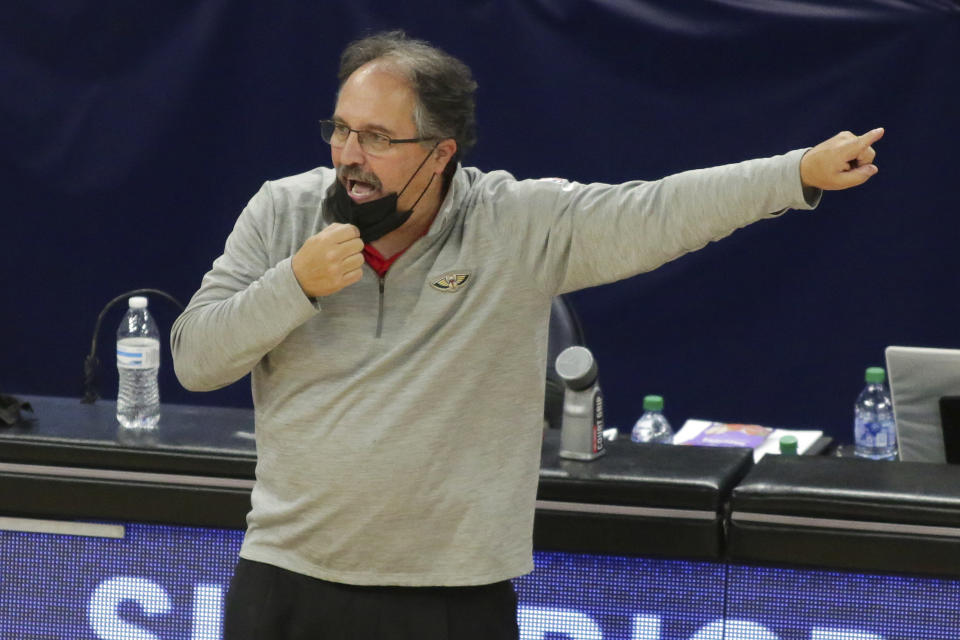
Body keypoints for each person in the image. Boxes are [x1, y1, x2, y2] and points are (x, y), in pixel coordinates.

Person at [171, 30, 883, 640]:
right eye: (341, 129)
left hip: (453, 593)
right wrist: (291, 284)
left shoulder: (516, 225)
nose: (350, 154)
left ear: (440, 152)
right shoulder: (282, 212)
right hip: (288, 579)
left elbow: (659, 211)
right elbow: (196, 360)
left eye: (379, 138)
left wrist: (795, 174)